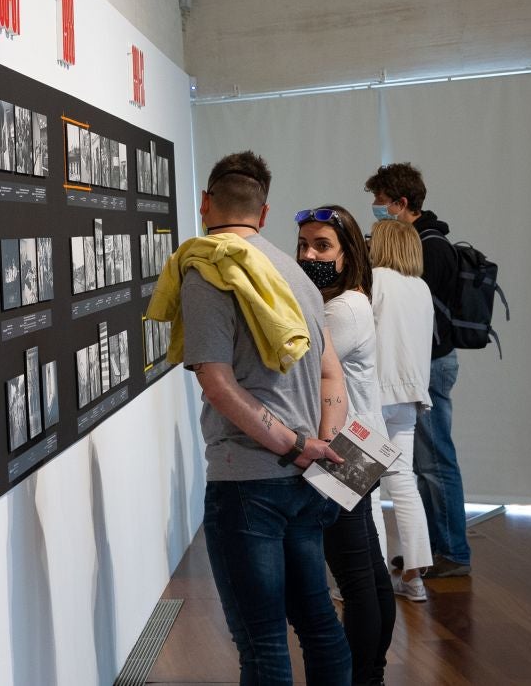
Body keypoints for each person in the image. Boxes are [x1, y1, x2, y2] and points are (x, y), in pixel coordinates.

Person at [152, 150, 352, 685]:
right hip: (307, 477)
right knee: (317, 622)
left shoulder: (208, 270)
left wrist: (292, 445)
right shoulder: (297, 273)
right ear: (264, 215)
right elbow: (333, 374)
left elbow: (217, 383)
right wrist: (321, 444)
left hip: (249, 482)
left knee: (261, 640)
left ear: (203, 204)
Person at [296, 205, 396, 686]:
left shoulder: (342, 309)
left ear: (348, 253)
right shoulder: (342, 302)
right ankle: (370, 670)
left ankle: (365, 674)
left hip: (345, 447)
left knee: (356, 577)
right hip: (357, 442)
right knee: (367, 571)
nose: (308, 255)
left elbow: (297, 364)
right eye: (303, 245)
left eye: (322, 246)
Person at [365, 162, 471, 577]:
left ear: (400, 203)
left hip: (419, 370)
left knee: (430, 466)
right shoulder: (427, 249)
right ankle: (420, 554)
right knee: (411, 473)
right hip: (416, 375)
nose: (375, 209)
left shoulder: (427, 251)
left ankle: (449, 552)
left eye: (379, 202)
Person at [368, 219, 435, 601]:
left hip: (373, 396)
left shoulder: (374, 282)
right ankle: (414, 578)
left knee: (368, 490)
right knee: (403, 481)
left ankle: (373, 580)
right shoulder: (420, 289)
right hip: (409, 396)